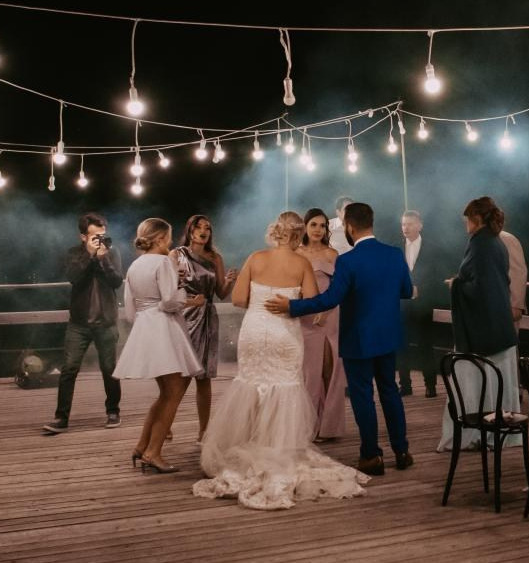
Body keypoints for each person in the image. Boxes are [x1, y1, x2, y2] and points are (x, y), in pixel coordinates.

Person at [193, 215, 368, 509]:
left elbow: (237, 298)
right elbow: (311, 303)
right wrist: (289, 303)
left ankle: (246, 447)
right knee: (284, 387)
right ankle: (276, 449)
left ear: (275, 231)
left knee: (250, 384)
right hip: (284, 331)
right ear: (299, 235)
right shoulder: (301, 264)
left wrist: (261, 305)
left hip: (254, 331)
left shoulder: (256, 258)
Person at [269, 202, 415, 477]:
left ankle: (371, 456)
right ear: (371, 222)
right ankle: (402, 451)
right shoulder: (395, 254)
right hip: (388, 336)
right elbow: (406, 291)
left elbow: (330, 299)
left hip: (358, 339)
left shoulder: (348, 261)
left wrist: (293, 306)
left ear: (348, 227)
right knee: (390, 392)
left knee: (363, 397)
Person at [113, 218, 204, 473]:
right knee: (174, 393)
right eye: (170, 237)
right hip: (164, 328)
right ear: (161, 239)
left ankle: (142, 445)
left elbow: (130, 311)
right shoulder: (164, 262)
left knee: (165, 393)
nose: (171, 242)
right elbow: (167, 303)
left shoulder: (133, 266)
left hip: (144, 327)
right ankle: (153, 452)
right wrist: (189, 300)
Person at [440, 197, 521, 451]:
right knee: (498, 382)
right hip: (499, 324)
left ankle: (477, 431)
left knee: (477, 378)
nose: (465, 223)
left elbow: (480, 288)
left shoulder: (481, 244)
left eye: (467, 218)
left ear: (476, 219)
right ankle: (496, 429)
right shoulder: (495, 242)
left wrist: (456, 285)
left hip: (483, 329)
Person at [44, 213, 124, 435]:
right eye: (95, 236)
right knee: (69, 369)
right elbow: (73, 277)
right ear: (83, 237)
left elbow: (116, 281)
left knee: (109, 369)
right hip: (78, 323)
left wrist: (102, 259)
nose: (100, 239)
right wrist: (89, 257)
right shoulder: (74, 254)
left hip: (106, 321)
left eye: (103, 234)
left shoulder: (112, 252)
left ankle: (113, 411)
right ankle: (61, 417)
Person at [173, 214, 236, 441]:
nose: (203, 231)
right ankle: (165, 422)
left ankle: (203, 430)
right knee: (181, 375)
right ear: (190, 230)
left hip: (208, 316)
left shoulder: (215, 258)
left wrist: (229, 281)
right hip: (185, 316)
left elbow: (220, 293)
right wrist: (190, 301)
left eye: (207, 228)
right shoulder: (177, 254)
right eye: (199, 227)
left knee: (204, 377)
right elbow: (169, 291)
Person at [298, 208, 350, 441]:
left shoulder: (332, 254)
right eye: (314, 225)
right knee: (310, 372)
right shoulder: (297, 254)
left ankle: (330, 427)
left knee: (331, 368)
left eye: (322, 226)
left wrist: (327, 310)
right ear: (305, 228)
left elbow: (341, 289)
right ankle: (309, 425)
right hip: (305, 317)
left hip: (330, 316)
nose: (318, 230)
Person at [398, 208, 442, 396]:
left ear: (419, 225)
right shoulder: (395, 248)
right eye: (403, 224)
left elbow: (438, 276)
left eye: (409, 224)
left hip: (424, 304)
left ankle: (430, 386)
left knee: (426, 345)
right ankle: (405, 386)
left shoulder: (433, 248)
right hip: (401, 304)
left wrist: (420, 289)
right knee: (401, 345)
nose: (405, 228)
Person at [498, 219, 528, 324]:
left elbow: (518, 271)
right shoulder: (478, 240)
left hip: (503, 305)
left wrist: (516, 305)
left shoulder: (506, 239)